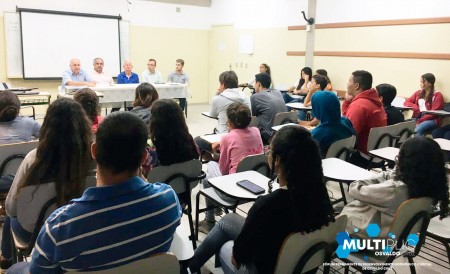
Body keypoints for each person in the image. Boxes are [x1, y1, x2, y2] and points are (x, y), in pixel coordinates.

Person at [7, 112, 181, 273]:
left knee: (15, 269)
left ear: (94, 151)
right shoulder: (168, 201)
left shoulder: (60, 227)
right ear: (144, 158)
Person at [189, 126, 335, 274]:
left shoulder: (266, 205)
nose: (268, 154)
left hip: (265, 268)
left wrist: (238, 252)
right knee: (229, 220)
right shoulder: (321, 194)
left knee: (226, 246)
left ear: (277, 160)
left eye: (269, 151)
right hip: (302, 266)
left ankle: (188, 268)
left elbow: (239, 256)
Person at [0, 98, 92, 271]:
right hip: (82, 228)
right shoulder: (93, 158)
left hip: (34, 233)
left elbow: (11, 208)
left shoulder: (34, 158)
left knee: (10, 218)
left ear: (48, 126)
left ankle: (7, 261)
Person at [341, 136, 449, 238]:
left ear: (405, 162)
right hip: (396, 238)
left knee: (333, 220)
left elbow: (355, 188)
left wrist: (393, 173)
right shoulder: (431, 184)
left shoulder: (393, 191)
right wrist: (396, 173)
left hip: (365, 239)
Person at [199, 103, 263, 232]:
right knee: (207, 181)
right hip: (257, 187)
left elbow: (223, 170)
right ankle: (214, 210)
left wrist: (212, 157)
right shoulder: (256, 131)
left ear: (230, 121)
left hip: (233, 192)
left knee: (210, 167)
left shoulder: (227, 138)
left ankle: (209, 220)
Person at [194, 71, 251, 154]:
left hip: (223, 136)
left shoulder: (218, 99)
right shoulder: (246, 97)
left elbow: (213, 114)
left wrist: (217, 94)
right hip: (244, 135)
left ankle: (214, 161)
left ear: (223, 85)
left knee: (196, 141)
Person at [342, 70, 387, 168]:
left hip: (362, 156)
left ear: (357, 86)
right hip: (376, 152)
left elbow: (348, 134)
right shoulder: (374, 102)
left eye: (349, 81)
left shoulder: (359, 105)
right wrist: (347, 101)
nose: (347, 83)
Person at [149, 99, 199, 168]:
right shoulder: (188, 139)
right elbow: (196, 157)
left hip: (161, 178)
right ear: (180, 118)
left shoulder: (151, 145)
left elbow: (147, 172)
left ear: (154, 120)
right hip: (188, 178)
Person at [310, 91, 356, 158]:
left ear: (318, 108)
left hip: (323, 165)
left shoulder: (317, 134)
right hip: (343, 163)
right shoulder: (346, 122)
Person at [250, 73, 287, 144]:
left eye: (255, 83)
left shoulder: (255, 97)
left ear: (258, 84)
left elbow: (253, 116)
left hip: (268, 135)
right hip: (282, 131)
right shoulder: (277, 92)